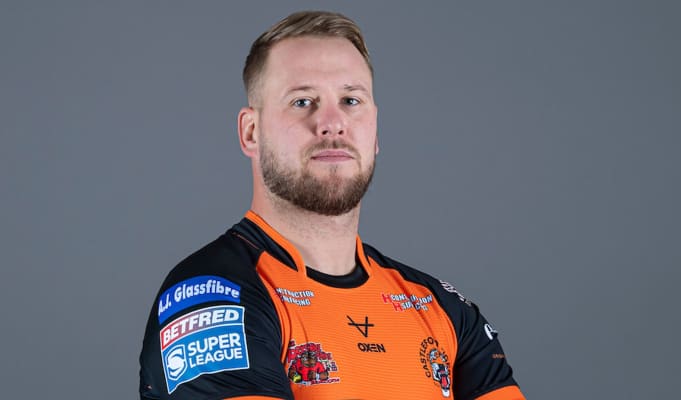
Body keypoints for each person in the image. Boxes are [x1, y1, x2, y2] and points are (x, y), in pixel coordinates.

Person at [139, 10, 525, 400]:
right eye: (302, 101)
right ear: (251, 132)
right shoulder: (211, 298)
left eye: (350, 100)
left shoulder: (443, 309)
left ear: (375, 131)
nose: (332, 123)